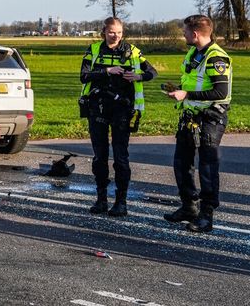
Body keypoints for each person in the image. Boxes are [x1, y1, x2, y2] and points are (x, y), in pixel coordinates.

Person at [78, 17, 156, 217]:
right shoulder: (94, 50)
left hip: (122, 109)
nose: (116, 36)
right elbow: (84, 75)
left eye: (119, 32)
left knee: (121, 157)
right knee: (100, 156)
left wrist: (138, 76)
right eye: (112, 32)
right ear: (104, 31)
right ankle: (101, 199)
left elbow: (151, 72)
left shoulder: (133, 51)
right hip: (98, 108)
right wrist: (107, 71)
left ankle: (121, 202)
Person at [163, 14, 232, 233]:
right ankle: (188, 207)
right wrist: (178, 90)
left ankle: (206, 215)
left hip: (210, 119)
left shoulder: (216, 57)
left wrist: (187, 94)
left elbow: (221, 91)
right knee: (181, 164)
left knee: (207, 168)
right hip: (189, 117)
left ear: (194, 34)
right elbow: (193, 79)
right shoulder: (194, 53)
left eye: (184, 32)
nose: (182, 35)